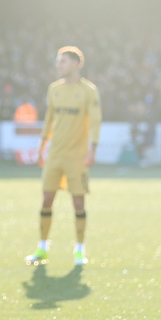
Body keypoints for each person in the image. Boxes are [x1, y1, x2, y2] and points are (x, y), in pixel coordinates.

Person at [25, 46, 101, 266]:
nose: (59, 65)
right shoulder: (54, 89)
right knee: (47, 199)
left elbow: (96, 121)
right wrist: (41, 147)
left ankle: (79, 250)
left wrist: (93, 148)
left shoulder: (89, 91)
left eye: (63, 62)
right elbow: (49, 119)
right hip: (55, 154)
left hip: (77, 156)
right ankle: (42, 248)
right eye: (58, 62)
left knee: (78, 202)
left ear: (76, 64)